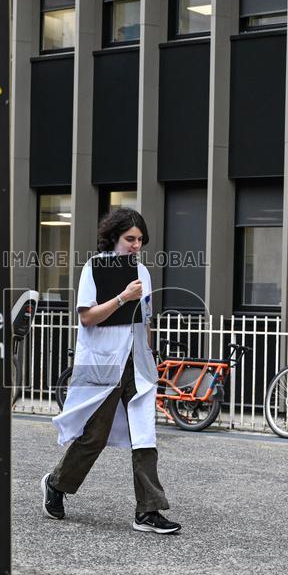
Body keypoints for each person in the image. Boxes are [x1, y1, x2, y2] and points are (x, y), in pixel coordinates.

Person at [41, 208, 181, 534]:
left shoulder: (142, 273)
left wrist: (149, 354)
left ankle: (148, 511)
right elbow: (88, 318)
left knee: (144, 433)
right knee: (94, 435)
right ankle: (56, 484)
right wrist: (122, 297)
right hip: (103, 362)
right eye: (129, 239)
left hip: (137, 361)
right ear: (114, 237)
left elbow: (144, 317)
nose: (136, 245)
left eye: (140, 240)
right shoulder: (95, 268)